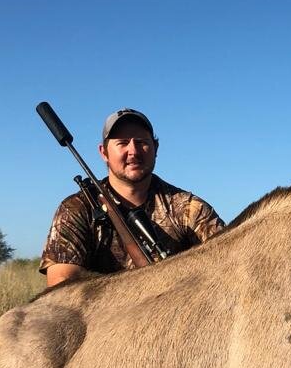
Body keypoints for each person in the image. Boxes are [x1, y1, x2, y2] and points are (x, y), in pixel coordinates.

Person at [39, 108, 224, 286]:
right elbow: (62, 285)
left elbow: (226, 260)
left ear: (155, 147)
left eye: (141, 142)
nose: (133, 151)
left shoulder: (188, 207)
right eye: (122, 143)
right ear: (104, 152)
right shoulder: (77, 208)